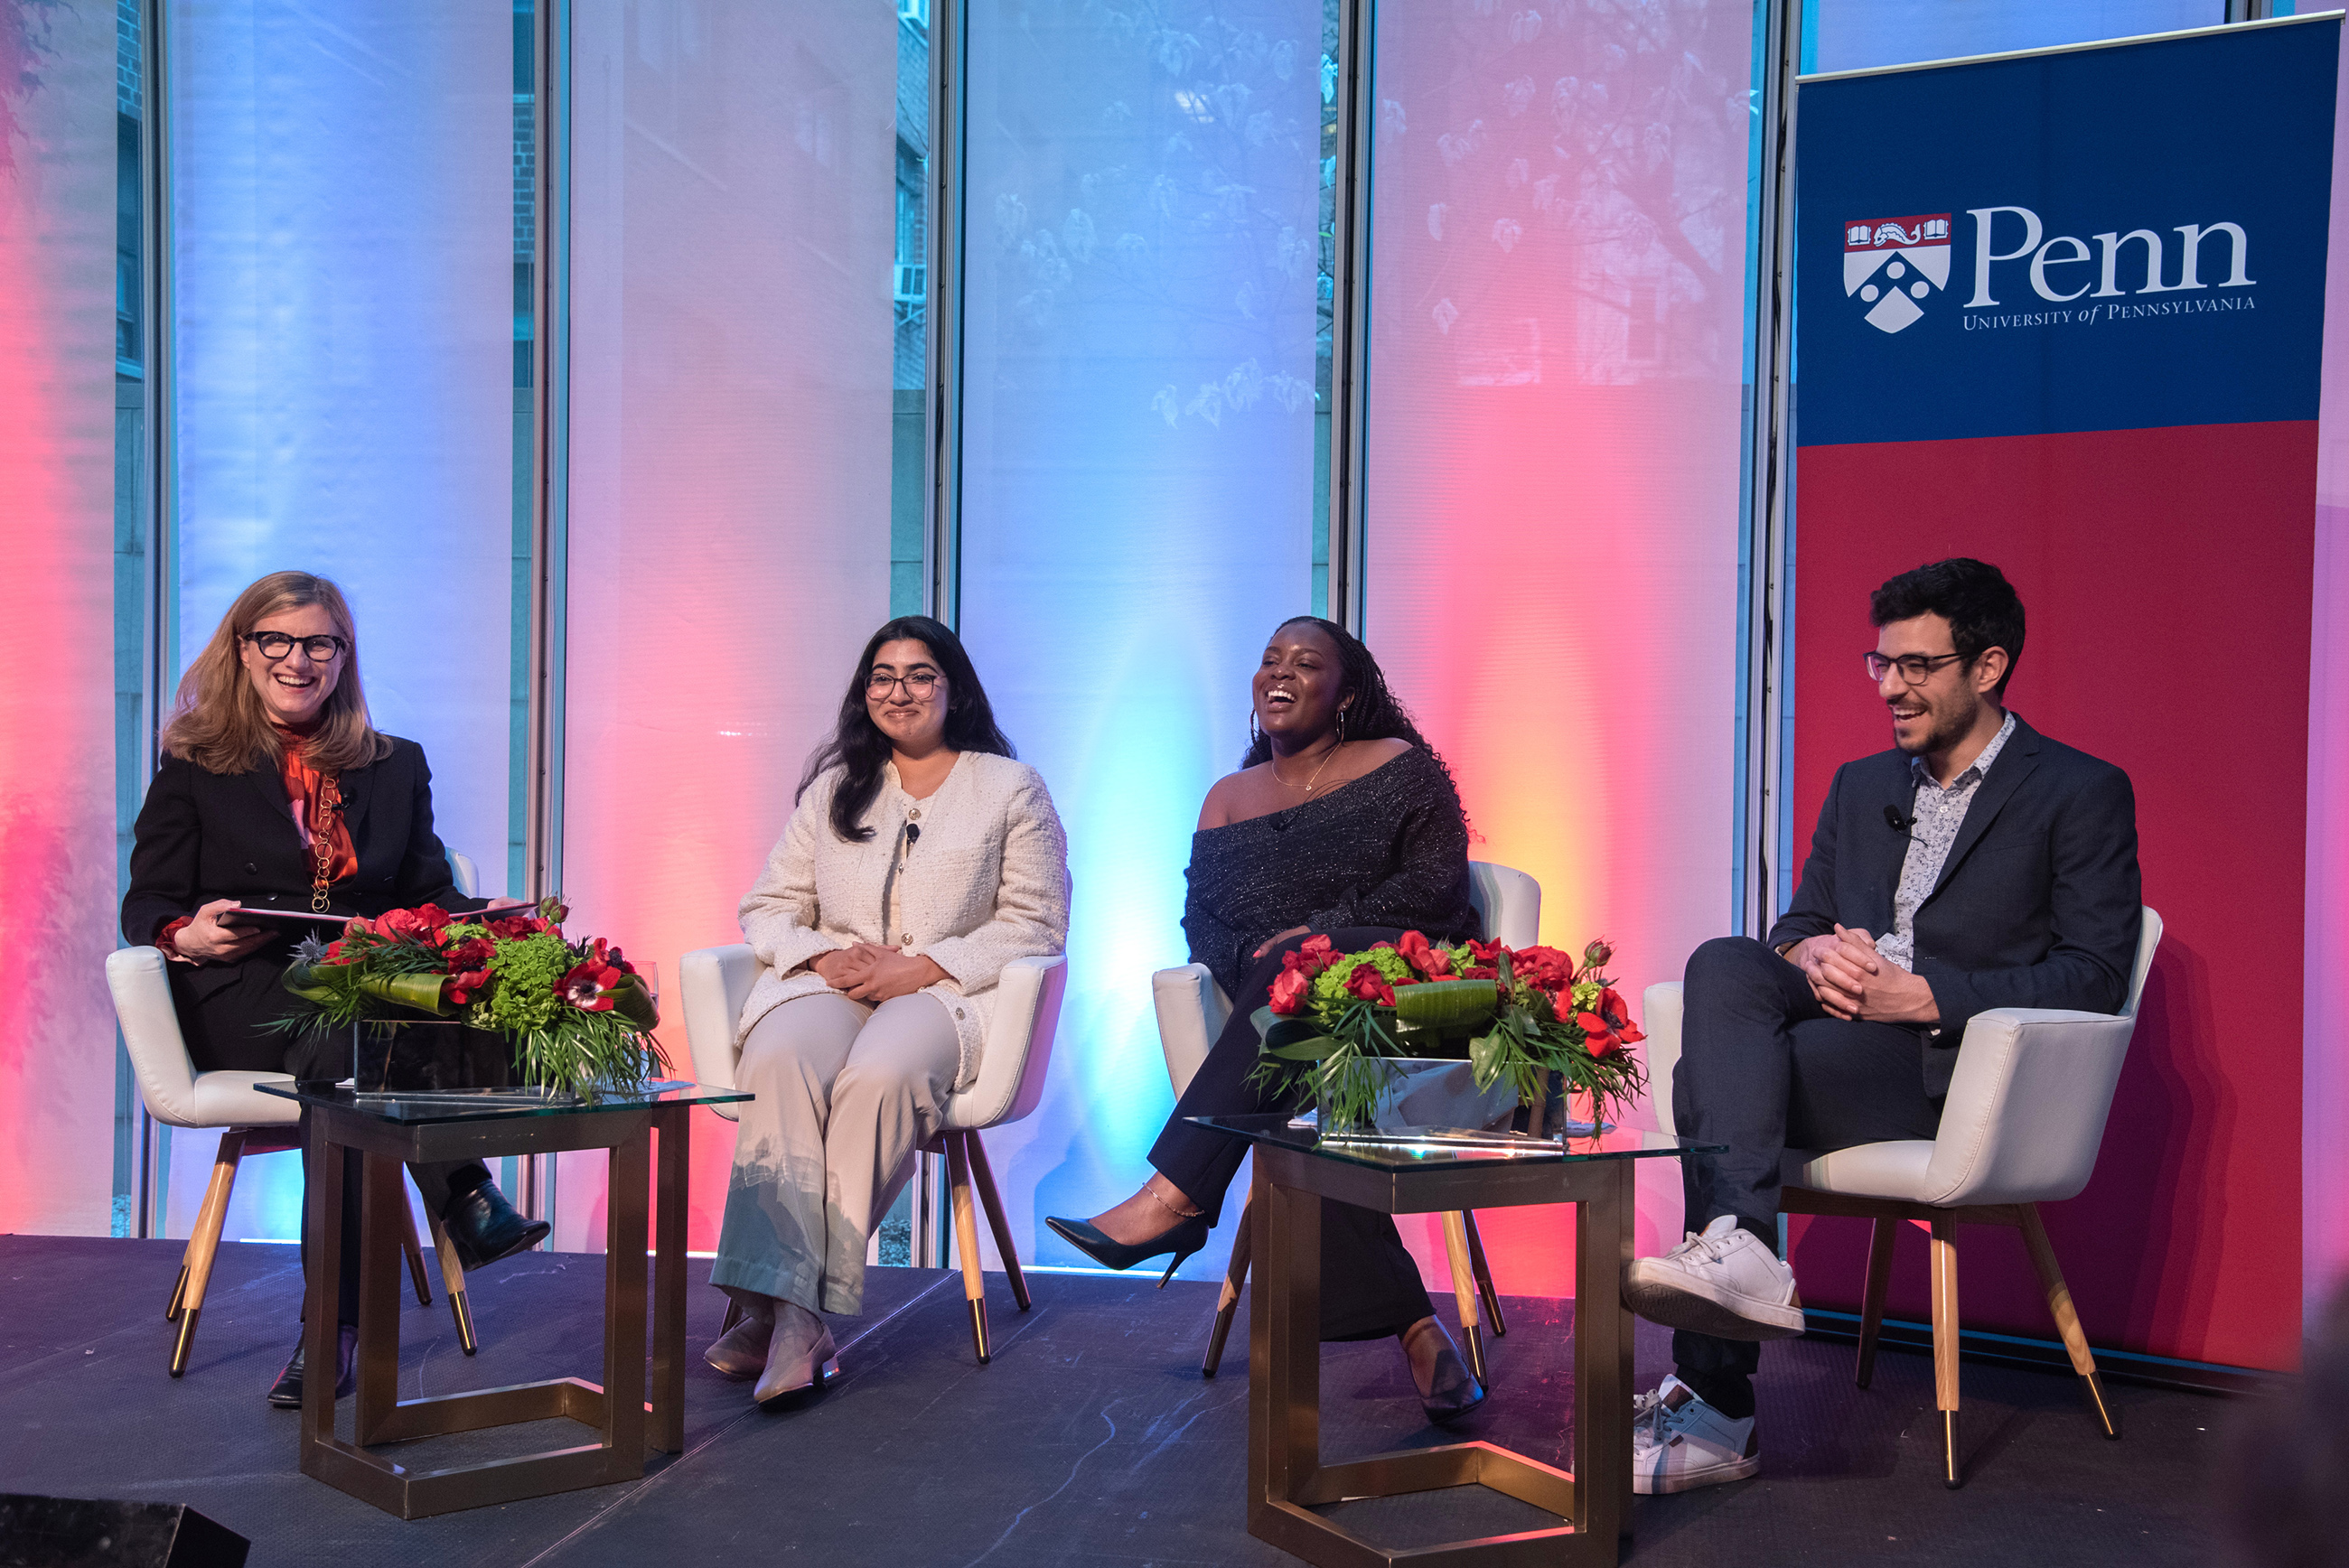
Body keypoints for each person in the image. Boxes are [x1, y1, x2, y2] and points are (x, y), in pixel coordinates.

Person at [1624, 558, 2142, 1493]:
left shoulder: (2077, 788)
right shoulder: (1863, 783)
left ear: (1985, 667)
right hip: (1835, 1024)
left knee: (1712, 1084)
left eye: (1915, 665)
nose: (1891, 686)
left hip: (1943, 1065)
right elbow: (1795, 921)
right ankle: (1740, 1255)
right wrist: (1811, 954)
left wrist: (1929, 993)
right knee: (1723, 959)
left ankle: (1716, 1406)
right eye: (1879, 662)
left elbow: (2096, 973)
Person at [121, 571, 550, 1408]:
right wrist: (186, 933)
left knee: (354, 1054)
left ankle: (335, 1330)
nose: (297, 659)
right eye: (275, 641)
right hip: (242, 995)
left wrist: (492, 918)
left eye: (318, 642)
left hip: (352, 1001)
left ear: (343, 655)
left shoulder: (395, 765)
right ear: (242, 651)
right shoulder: (196, 763)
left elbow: (428, 896)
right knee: (363, 1043)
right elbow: (147, 902)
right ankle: (466, 1191)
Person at [1044, 616, 1489, 1424]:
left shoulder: (1399, 770)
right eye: (1269, 660)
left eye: (1306, 662)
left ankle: (1175, 1195)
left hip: (1415, 1000)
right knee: (1306, 1066)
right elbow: (1206, 930)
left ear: (1347, 694)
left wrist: (1321, 935)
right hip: (1291, 1025)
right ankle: (1419, 1332)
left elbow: (1435, 894)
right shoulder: (1227, 799)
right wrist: (1274, 959)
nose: (1279, 672)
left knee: (1305, 976)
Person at [706, 615, 1069, 1407]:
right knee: (777, 1059)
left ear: (954, 688)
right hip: (832, 983)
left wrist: (926, 964)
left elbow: (1035, 921)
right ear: (863, 692)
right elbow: (768, 906)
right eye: (882, 675)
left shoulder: (1010, 787)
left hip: (945, 993)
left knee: (878, 1078)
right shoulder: (837, 788)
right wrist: (820, 957)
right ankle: (798, 1313)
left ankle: (788, 1315)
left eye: (918, 675)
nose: (897, 690)